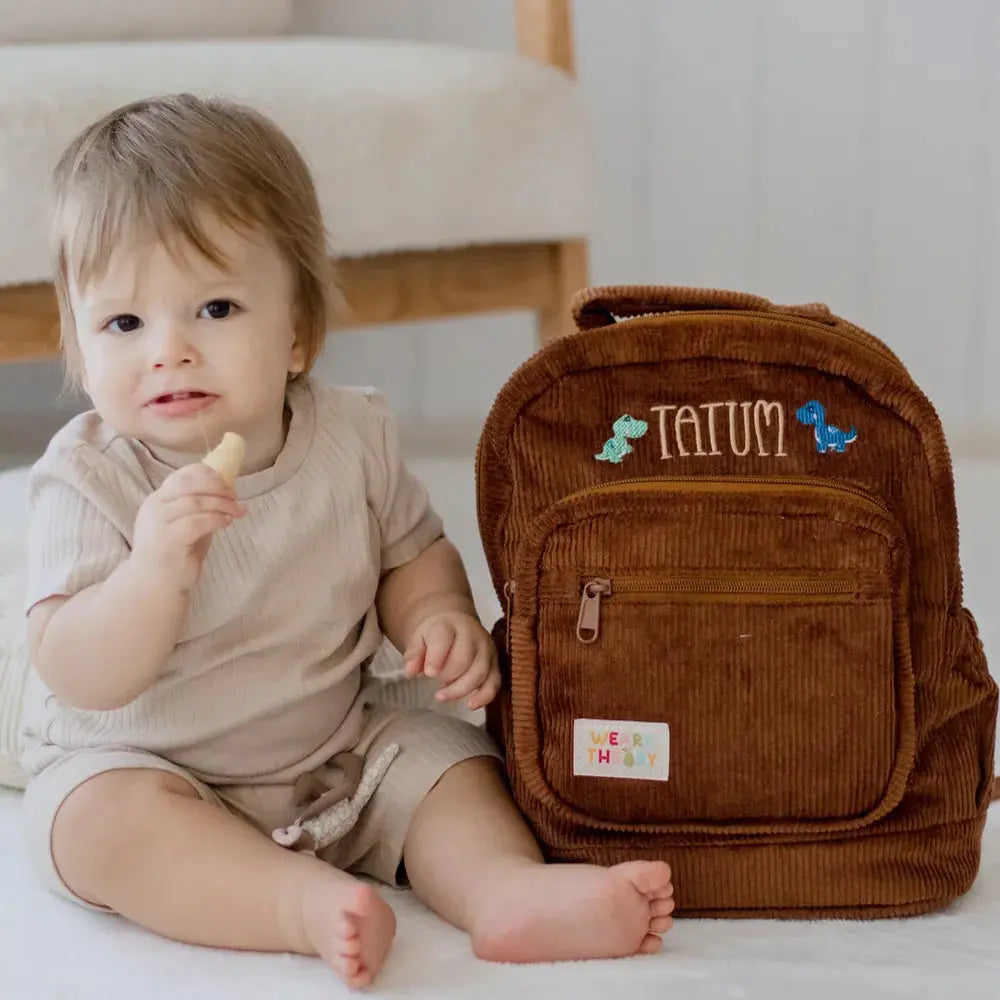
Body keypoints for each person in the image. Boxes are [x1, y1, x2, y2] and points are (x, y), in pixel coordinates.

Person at [21, 94, 674, 989]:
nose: (169, 350)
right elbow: (78, 670)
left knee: (451, 758)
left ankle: (503, 891)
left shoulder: (351, 437)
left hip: (335, 753)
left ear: (299, 333)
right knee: (94, 826)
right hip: (151, 762)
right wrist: (151, 572)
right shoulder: (88, 478)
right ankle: (293, 904)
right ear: (80, 345)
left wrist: (437, 615)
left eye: (215, 307)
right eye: (125, 324)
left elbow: (411, 552)